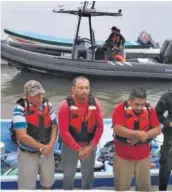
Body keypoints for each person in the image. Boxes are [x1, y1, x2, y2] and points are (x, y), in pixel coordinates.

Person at [58, 76, 104, 190]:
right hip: (70, 146)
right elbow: (63, 131)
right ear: (73, 89)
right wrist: (78, 149)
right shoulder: (65, 106)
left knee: (88, 176)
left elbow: (100, 128)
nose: (84, 91)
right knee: (68, 176)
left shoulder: (96, 103)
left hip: (89, 145)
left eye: (86, 88)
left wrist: (91, 146)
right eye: (81, 88)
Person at [112, 88, 160, 191]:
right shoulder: (120, 109)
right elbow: (118, 129)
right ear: (129, 101)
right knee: (122, 188)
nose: (140, 107)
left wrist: (144, 135)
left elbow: (157, 129)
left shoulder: (149, 109)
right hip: (123, 158)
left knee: (144, 188)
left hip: (144, 158)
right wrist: (138, 134)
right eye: (137, 104)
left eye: (142, 104)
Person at [12, 80, 58, 189]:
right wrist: (43, 147)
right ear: (26, 96)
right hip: (28, 154)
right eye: (35, 95)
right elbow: (21, 135)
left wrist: (51, 145)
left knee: (48, 183)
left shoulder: (48, 105)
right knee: (26, 187)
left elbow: (54, 126)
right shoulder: (19, 108)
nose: (39, 97)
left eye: (40, 94)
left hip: (47, 151)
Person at [155, 90, 172, 191]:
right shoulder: (167, 96)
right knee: (166, 168)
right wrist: (169, 123)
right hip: (170, 137)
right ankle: (162, 189)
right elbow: (157, 113)